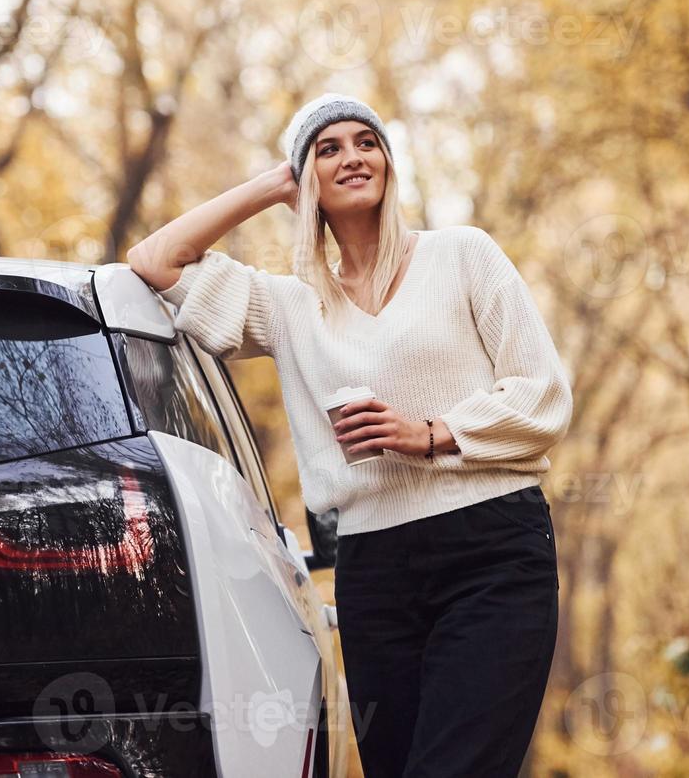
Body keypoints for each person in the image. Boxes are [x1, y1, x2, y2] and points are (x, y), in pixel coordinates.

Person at [125, 93, 574, 778]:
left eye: (366, 141)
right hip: (374, 568)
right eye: (327, 149)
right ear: (306, 181)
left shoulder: (463, 254)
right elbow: (156, 259)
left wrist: (431, 433)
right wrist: (274, 183)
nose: (352, 157)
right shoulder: (289, 305)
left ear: (390, 163)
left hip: (492, 552)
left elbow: (542, 393)